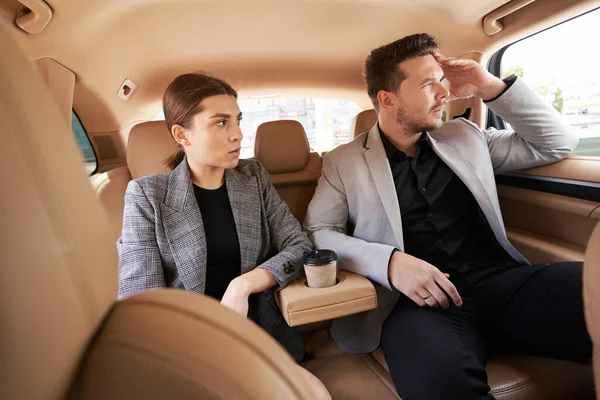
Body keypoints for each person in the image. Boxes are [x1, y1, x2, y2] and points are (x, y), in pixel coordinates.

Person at [304, 33, 591, 399]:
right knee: (441, 385)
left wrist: (488, 85)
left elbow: (557, 142)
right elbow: (318, 232)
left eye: (441, 80)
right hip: (417, 307)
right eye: (428, 83)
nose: (443, 92)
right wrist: (391, 264)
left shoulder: (466, 135)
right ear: (387, 99)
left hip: (502, 283)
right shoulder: (344, 161)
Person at [118, 72, 330, 399]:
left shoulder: (253, 177)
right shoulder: (147, 196)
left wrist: (243, 285)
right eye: (221, 123)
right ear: (181, 134)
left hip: (255, 333)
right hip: (182, 348)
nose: (238, 135)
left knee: (314, 393)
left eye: (237, 121)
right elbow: (142, 302)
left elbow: (299, 246)